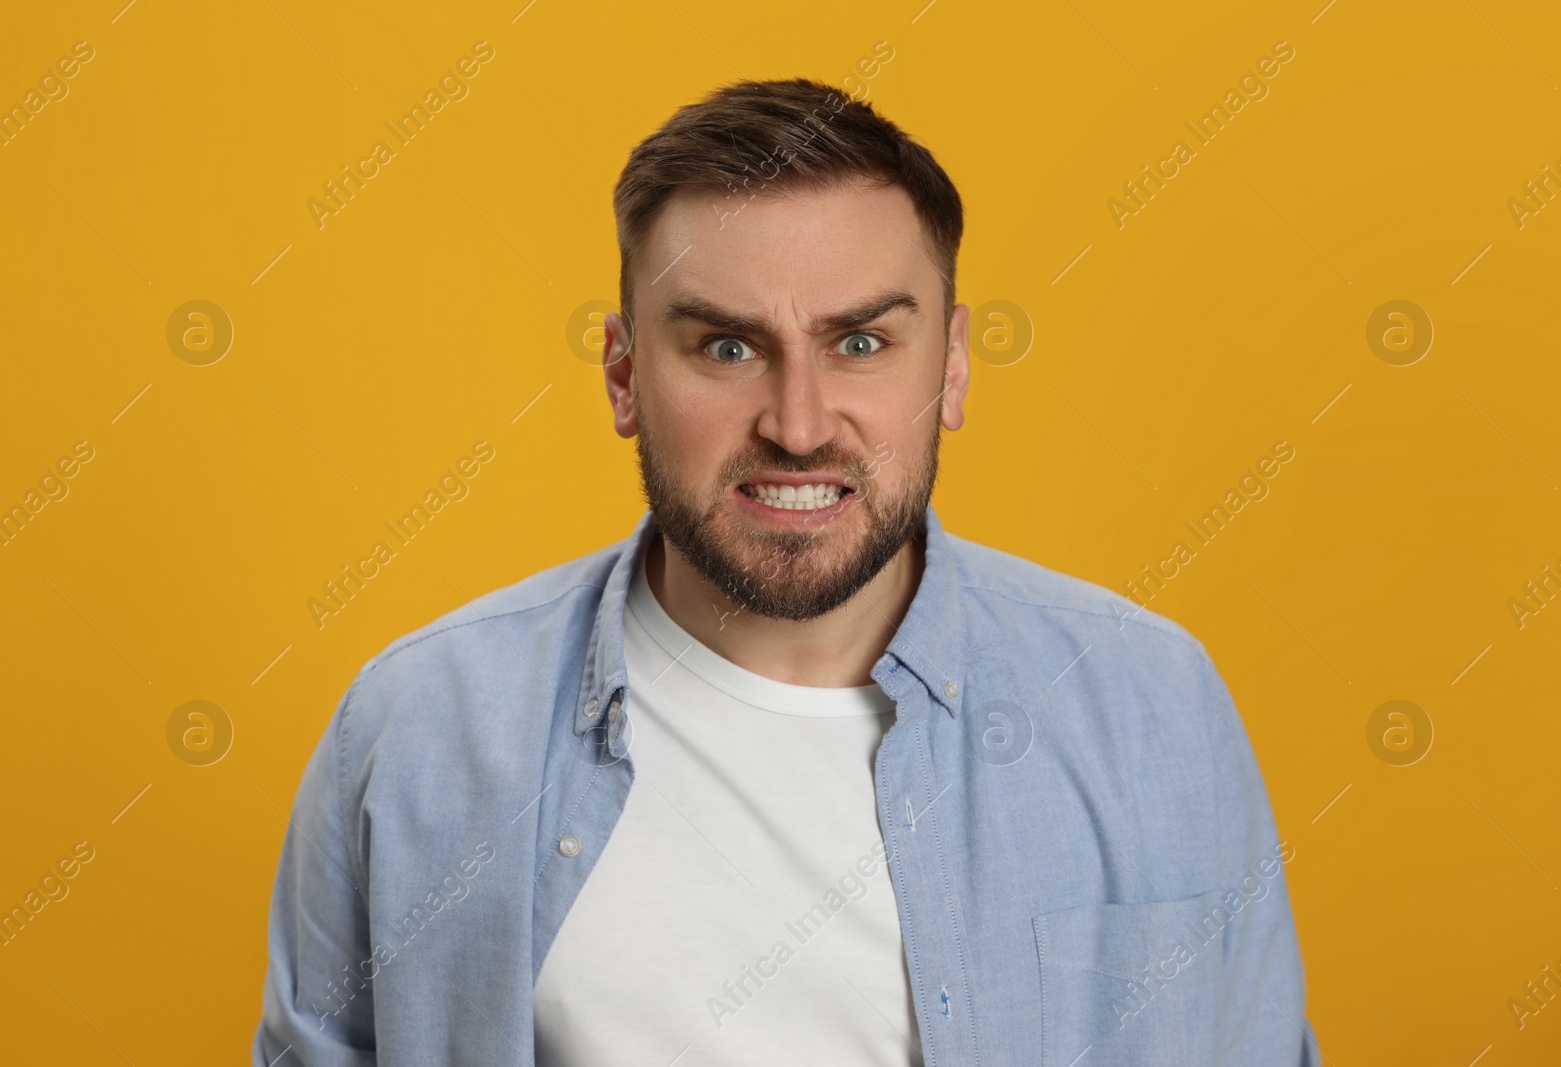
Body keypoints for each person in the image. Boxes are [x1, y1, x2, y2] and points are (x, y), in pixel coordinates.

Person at [254, 77, 1319, 1066]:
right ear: (624, 376)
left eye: (859, 343)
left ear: (949, 365)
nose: (798, 424)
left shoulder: (1151, 708)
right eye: (727, 347)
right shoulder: (419, 730)